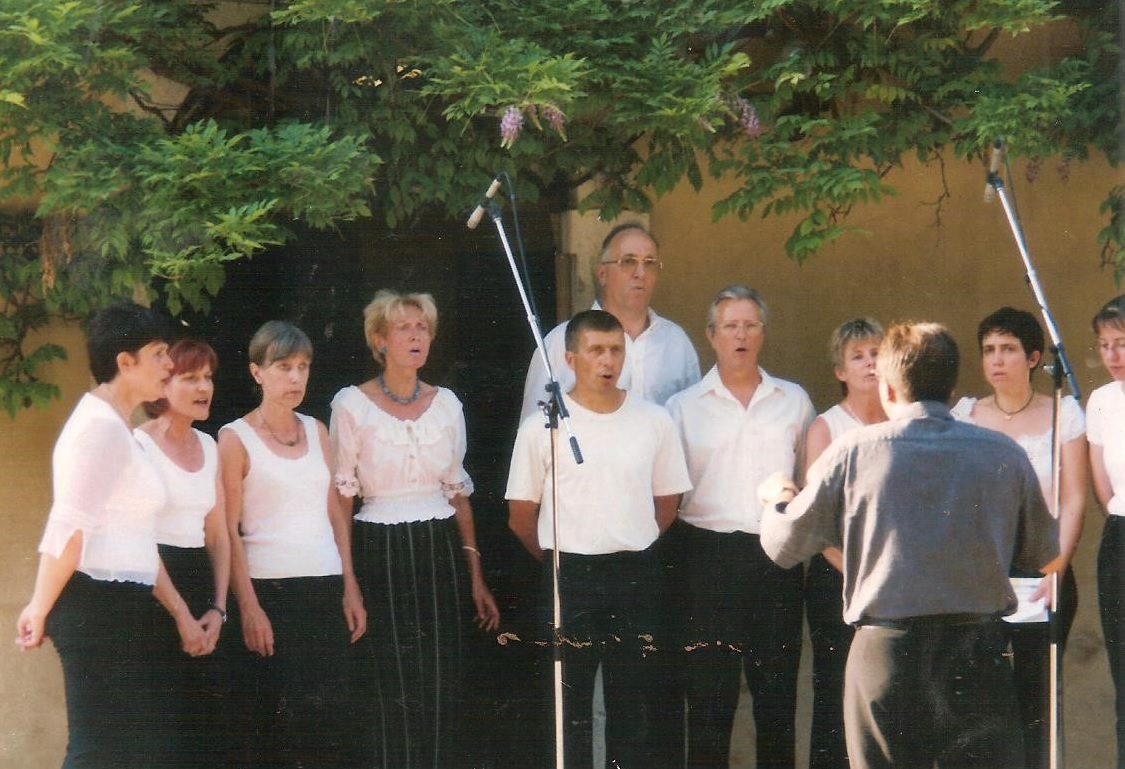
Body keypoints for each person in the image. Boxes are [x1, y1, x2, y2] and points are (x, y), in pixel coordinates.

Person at [760, 321, 1060, 769]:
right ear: (952, 385)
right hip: (975, 652)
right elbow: (1042, 550)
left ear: (888, 387)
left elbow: (783, 545)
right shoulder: (1003, 453)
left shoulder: (854, 452)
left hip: (888, 653)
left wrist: (778, 498)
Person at [15, 303, 212, 768]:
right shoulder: (99, 428)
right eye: (159, 354)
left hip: (120, 606)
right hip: (95, 607)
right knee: (98, 753)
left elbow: (136, 536)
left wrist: (181, 613)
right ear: (125, 362)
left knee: (130, 752)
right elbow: (68, 528)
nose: (168, 364)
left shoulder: (120, 427)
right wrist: (38, 607)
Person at [506, 309, 692, 769]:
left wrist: (629, 536)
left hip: (635, 575)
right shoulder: (541, 427)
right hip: (569, 576)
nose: (607, 361)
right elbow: (521, 516)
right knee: (567, 707)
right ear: (571, 359)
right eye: (596, 350)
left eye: (615, 350)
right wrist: (562, 556)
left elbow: (667, 501)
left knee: (634, 703)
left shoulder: (653, 421)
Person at [329, 289, 500, 769]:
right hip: (378, 552)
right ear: (379, 340)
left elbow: (458, 496)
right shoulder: (352, 405)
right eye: (403, 327)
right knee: (388, 687)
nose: (415, 335)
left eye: (422, 326)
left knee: (441, 683)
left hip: (439, 550)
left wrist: (476, 577)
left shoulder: (447, 405)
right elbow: (341, 498)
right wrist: (348, 581)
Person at [664, 285, 814, 769]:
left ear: (763, 333)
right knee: (708, 701)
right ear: (711, 335)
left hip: (774, 557)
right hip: (703, 559)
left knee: (777, 701)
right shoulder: (682, 407)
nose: (741, 335)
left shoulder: (793, 401)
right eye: (730, 326)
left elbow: (810, 482)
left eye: (751, 325)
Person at [218, 320, 366, 769]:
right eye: (284, 367)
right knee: (279, 730)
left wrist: (350, 585)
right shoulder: (234, 438)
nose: (296, 377)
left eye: (303, 367)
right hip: (272, 593)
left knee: (328, 725)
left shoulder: (317, 430)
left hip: (324, 590)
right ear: (257, 372)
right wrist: (249, 607)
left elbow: (335, 514)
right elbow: (227, 530)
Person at [950, 307, 1086, 769]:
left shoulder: (1064, 413)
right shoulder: (965, 416)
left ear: (1033, 358)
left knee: (1036, 700)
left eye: (1008, 349)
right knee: (980, 703)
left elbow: (1074, 498)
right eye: (988, 349)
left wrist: (1056, 567)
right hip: (981, 575)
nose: (996, 359)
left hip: (1042, 569)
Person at [135, 338, 231, 769]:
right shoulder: (138, 445)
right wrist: (181, 616)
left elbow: (218, 535)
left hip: (199, 586)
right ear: (162, 386)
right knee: (160, 731)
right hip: (155, 588)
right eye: (190, 378)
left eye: (207, 377)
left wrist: (219, 608)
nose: (204, 387)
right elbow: (138, 537)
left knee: (206, 727)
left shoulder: (210, 445)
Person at [802, 318, 886, 769]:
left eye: (876, 353)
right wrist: (860, 572)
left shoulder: (903, 422)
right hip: (841, 579)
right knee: (836, 692)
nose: (869, 363)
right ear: (840, 371)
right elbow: (816, 521)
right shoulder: (826, 428)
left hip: (895, 584)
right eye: (858, 356)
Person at [518, 222, 699, 422]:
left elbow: (692, 424)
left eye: (649, 263)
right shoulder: (561, 342)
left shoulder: (676, 342)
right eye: (628, 261)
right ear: (602, 274)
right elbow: (533, 427)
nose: (640, 273)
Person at [1088, 295, 1125, 768]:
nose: (1113, 355)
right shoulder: (1101, 401)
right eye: (1104, 344)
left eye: (1123, 343)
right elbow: (1103, 488)